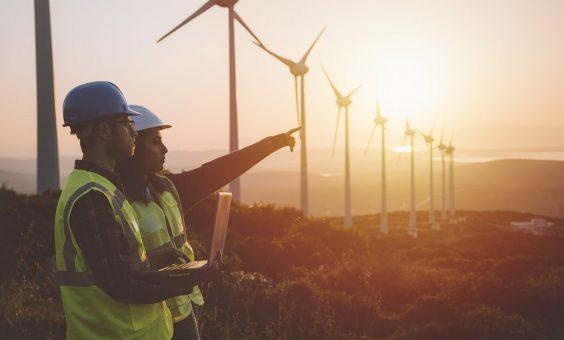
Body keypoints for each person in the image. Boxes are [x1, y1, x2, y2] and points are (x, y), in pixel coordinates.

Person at [115, 105, 300, 339]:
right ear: (133, 147)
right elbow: (120, 271)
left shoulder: (168, 189)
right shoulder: (115, 201)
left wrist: (273, 143)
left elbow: (218, 171)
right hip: (145, 320)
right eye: (155, 142)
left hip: (181, 311)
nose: (164, 149)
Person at [54, 81, 215, 340]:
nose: (133, 132)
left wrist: (158, 258)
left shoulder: (104, 188)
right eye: (128, 124)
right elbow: (122, 284)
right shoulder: (92, 197)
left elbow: (119, 265)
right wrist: (187, 279)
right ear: (105, 131)